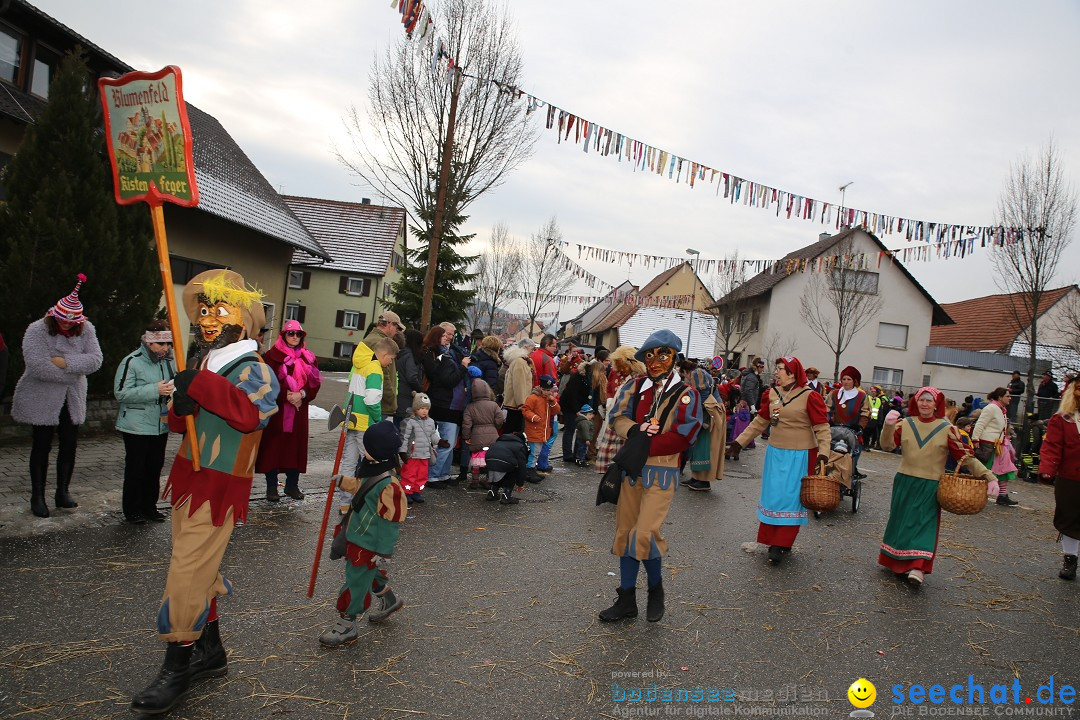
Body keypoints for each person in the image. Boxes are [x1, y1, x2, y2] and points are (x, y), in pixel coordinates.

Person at [130, 270, 279, 714]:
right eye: (204, 311)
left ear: (243, 320)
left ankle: (176, 665)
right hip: (188, 478)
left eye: (220, 310)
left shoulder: (254, 367)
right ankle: (210, 652)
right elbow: (184, 424)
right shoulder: (201, 364)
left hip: (220, 485)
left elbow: (254, 414)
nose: (208, 320)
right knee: (199, 568)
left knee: (187, 574)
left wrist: (198, 386)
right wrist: (180, 406)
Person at [599, 330, 701, 624]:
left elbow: (686, 434)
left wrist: (645, 445)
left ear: (675, 358)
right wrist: (634, 432)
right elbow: (617, 417)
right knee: (626, 533)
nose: (655, 361)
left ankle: (656, 590)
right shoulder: (635, 387)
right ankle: (627, 598)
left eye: (663, 355)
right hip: (632, 471)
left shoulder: (686, 394)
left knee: (644, 534)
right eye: (649, 355)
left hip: (662, 472)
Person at [878, 388, 996, 587]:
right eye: (921, 400)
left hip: (930, 484)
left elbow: (965, 457)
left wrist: (989, 477)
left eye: (929, 401)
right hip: (904, 481)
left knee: (925, 523)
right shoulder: (904, 424)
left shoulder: (946, 428)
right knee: (900, 521)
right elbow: (887, 446)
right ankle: (896, 561)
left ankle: (918, 567)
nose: (925, 404)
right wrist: (887, 426)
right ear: (916, 402)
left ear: (936, 404)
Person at [12, 274, 103, 518]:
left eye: (70, 323)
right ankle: (37, 496)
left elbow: (95, 360)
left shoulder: (87, 329)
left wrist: (66, 362)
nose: (65, 325)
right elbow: (37, 365)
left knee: (69, 443)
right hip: (42, 396)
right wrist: (75, 370)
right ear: (54, 316)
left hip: (72, 397)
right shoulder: (36, 330)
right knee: (41, 445)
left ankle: (62, 491)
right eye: (61, 321)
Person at [727, 357, 830, 565]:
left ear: (792, 373)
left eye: (781, 369)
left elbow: (822, 427)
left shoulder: (810, 396)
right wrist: (738, 442)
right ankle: (769, 539)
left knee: (791, 500)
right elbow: (761, 422)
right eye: (777, 369)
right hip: (776, 453)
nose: (776, 372)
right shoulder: (772, 394)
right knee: (773, 497)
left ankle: (781, 543)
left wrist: (823, 454)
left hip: (799, 454)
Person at [320, 421, 408, 646]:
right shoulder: (372, 468)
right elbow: (361, 486)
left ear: (377, 452)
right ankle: (389, 599)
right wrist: (343, 482)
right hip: (357, 535)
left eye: (366, 447)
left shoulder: (389, 485)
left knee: (356, 581)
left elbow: (391, 523)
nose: (363, 450)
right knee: (368, 574)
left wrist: (383, 552)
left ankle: (347, 623)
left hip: (368, 544)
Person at [114, 320, 176, 524]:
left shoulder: (167, 362)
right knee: (136, 468)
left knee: (154, 467)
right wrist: (154, 390)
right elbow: (121, 393)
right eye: (161, 344)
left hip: (160, 424)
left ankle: (149, 506)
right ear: (149, 342)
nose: (165, 348)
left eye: (168, 344)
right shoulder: (132, 361)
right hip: (136, 425)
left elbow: (173, 384)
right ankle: (132, 510)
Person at [256, 320, 322, 501]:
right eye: (290, 334)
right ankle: (271, 488)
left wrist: (301, 394)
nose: (294, 337)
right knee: (273, 448)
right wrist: (286, 395)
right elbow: (267, 382)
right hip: (277, 411)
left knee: (295, 448)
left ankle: (292, 485)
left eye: (298, 334)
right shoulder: (271, 356)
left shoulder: (308, 357)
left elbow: (314, 383)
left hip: (299, 411)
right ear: (283, 335)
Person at [339, 337, 399, 511]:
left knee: (349, 462)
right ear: (384, 354)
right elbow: (372, 399)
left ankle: (345, 502)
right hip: (365, 421)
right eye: (391, 359)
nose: (389, 363)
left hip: (350, 418)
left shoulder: (359, 363)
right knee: (371, 462)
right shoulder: (374, 368)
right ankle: (367, 499)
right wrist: (378, 418)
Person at [1038, 378, 1080, 580]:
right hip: (1071, 478)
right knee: (1069, 519)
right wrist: (1047, 468)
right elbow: (1052, 446)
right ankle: (1070, 560)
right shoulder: (1062, 419)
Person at [421, 325, 470, 488]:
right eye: (445, 335)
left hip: (452, 407)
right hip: (445, 406)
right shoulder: (441, 357)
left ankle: (443, 474)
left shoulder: (447, 354)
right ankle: (433, 476)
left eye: (450, 335)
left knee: (449, 443)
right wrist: (463, 367)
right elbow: (447, 381)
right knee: (445, 444)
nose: (448, 338)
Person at [595, 346, 646, 478]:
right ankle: (610, 475)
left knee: (623, 449)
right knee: (610, 444)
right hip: (613, 411)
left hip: (627, 417)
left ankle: (620, 474)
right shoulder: (615, 372)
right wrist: (610, 399)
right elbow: (610, 386)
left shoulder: (640, 377)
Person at [971, 387, 1018, 506]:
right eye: (1007, 396)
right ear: (1000, 397)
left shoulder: (1000, 409)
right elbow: (980, 423)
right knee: (985, 470)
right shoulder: (991, 408)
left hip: (998, 444)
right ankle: (975, 493)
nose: (1010, 398)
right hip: (988, 444)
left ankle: (1002, 495)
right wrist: (975, 439)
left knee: (1002, 469)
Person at [684, 368, 726, 492]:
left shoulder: (697, 374)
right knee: (700, 446)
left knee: (708, 447)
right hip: (709, 412)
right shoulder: (698, 373)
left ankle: (704, 481)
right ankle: (696, 477)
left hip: (710, 414)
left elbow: (701, 395)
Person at [826, 366, 871, 480]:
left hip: (852, 429)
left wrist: (860, 426)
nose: (845, 382)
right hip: (835, 428)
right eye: (844, 379)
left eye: (849, 379)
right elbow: (827, 409)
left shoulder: (861, 396)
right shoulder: (834, 394)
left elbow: (865, 412)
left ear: (854, 381)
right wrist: (827, 421)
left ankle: (852, 469)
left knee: (855, 448)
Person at [364, 311, 407, 423]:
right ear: (389, 324)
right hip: (379, 404)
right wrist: (391, 399)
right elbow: (385, 374)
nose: (397, 331)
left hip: (375, 400)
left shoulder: (371, 338)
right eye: (397, 327)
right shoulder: (381, 343)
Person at [462, 378, 504, 488]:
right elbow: (500, 419)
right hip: (492, 435)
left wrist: (466, 436)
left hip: (476, 436)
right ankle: (488, 480)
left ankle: (475, 480)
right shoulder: (494, 405)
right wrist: (495, 427)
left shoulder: (470, 407)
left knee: (476, 458)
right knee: (489, 458)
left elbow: (466, 424)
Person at [398, 392, 439, 504]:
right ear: (415, 409)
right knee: (409, 474)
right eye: (421, 408)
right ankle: (407, 492)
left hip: (425, 454)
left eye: (426, 408)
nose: (424, 411)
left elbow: (432, 435)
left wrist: (440, 441)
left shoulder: (430, 422)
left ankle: (417, 491)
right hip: (412, 454)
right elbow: (404, 437)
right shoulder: (409, 422)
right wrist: (402, 451)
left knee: (422, 475)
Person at [523, 375, 560, 482]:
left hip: (542, 431)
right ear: (540, 388)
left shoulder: (548, 399)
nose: (547, 392)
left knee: (536, 452)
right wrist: (534, 417)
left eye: (549, 390)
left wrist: (553, 401)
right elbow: (525, 410)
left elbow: (556, 411)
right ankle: (529, 470)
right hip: (534, 430)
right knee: (534, 452)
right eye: (545, 390)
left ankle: (531, 469)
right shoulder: (533, 398)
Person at [483, 430, 530, 504]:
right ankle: (506, 495)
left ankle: (492, 492)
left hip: (489, 460)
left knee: (498, 470)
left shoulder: (499, 441)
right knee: (512, 471)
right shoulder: (520, 446)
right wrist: (520, 484)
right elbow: (522, 467)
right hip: (505, 462)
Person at [559, 360, 591, 464]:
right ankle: (567, 454)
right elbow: (572, 395)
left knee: (578, 430)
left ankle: (578, 454)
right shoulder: (576, 378)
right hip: (570, 407)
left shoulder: (584, 378)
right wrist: (577, 410)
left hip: (577, 406)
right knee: (570, 429)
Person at [394, 329, 426, 426]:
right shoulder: (410, 356)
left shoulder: (401, 354)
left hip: (399, 394)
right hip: (406, 396)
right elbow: (411, 377)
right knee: (403, 429)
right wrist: (420, 389)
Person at [502, 340, 535, 434]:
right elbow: (519, 384)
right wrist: (521, 403)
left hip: (515, 403)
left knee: (512, 430)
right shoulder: (520, 362)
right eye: (531, 349)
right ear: (524, 348)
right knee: (514, 431)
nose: (533, 351)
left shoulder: (520, 361)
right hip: (516, 405)